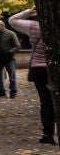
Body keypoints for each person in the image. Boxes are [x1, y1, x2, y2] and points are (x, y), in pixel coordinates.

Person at [9, 8, 51, 145]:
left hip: (39, 69)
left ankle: (48, 134)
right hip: (55, 68)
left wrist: (30, 10)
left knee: (46, 101)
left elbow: (12, 20)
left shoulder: (34, 26)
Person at [0, 19, 20, 99]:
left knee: (12, 76)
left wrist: (9, 52)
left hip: (9, 59)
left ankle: (13, 92)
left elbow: (18, 46)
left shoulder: (11, 34)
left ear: (2, 26)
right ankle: (1, 91)